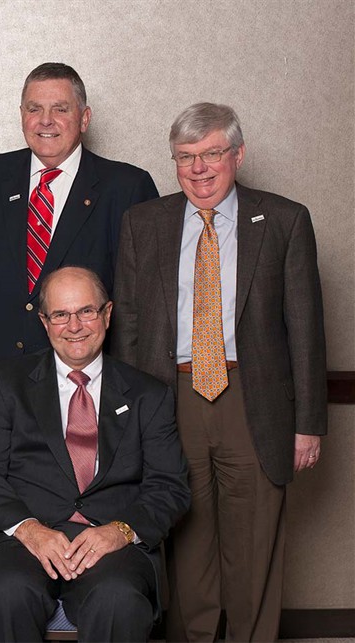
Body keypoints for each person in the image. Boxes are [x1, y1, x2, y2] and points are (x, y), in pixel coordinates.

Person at [112, 102, 328, 642]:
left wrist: (309, 423)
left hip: (253, 399)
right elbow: (131, 328)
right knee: (185, 541)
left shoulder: (283, 220)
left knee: (254, 545)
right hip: (171, 397)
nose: (199, 168)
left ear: (238, 155)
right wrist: (129, 420)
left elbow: (305, 329)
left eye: (211, 154)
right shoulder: (145, 223)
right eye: (185, 157)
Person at [0, 266, 190, 642]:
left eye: (86, 311)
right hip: (23, 538)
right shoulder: (6, 383)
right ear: (45, 322)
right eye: (61, 315)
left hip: (109, 542)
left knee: (118, 600)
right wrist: (30, 530)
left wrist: (120, 531)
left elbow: (170, 487)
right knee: (6, 593)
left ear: (107, 314)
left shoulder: (149, 394)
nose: (75, 325)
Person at [0, 62, 158, 416]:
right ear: (22, 115)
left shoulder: (127, 188)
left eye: (60, 109)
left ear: (84, 118)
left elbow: (142, 301)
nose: (45, 120)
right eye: (35, 109)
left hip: (88, 388)